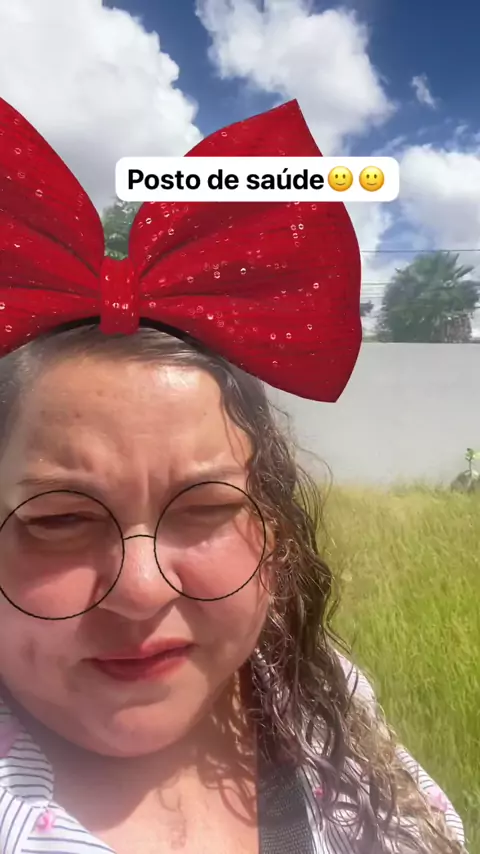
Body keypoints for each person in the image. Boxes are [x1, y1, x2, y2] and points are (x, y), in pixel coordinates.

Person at [0, 97, 466, 854]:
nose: (142, 589)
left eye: (207, 509)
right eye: (60, 519)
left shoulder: (318, 688)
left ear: (271, 533)